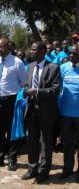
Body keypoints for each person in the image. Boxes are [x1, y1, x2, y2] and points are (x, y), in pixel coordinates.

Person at [21, 41, 60, 184]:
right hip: (31, 110)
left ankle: (44, 171)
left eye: (34, 50)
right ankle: (32, 169)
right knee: (31, 141)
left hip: (47, 111)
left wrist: (36, 91)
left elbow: (55, 90)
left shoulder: (53, 67)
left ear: (43, 51)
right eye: (31, 50)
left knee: (45, 142)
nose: (32, 52)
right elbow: (26, 84)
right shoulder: (30, 67)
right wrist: (25, 91)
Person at [0, 37, 26, 171]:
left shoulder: (17, 62)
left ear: (8, 47)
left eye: (2, 47)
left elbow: (22, 83)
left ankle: (12, 160)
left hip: (11, 100)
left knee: (11, 131)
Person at [58, 44, 79, 180]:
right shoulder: (63, 68)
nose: (71, 55)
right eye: (70, 53)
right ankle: (67, 169)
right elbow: (57, 87)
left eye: (75, 53)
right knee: (67, 143)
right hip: (65, 113)